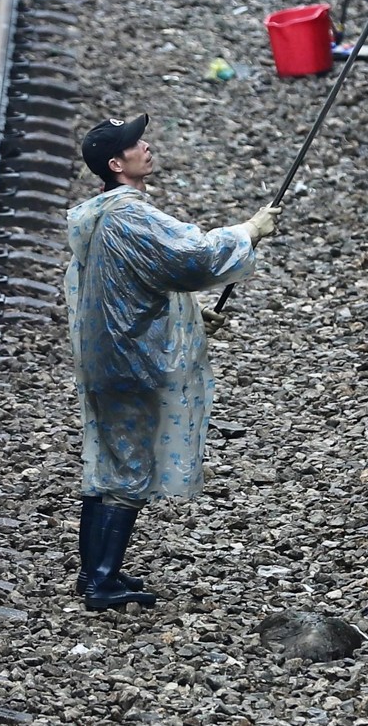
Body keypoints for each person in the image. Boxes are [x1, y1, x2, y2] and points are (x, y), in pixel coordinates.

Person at [66, 114, 281, 610]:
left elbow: (133, 285)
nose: (145, 145)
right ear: (117, 164)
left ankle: (93, 574)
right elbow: (195, 258)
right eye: (133, 144)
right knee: (128, 470)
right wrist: (248, 230)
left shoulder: (105, 215)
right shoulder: (131, 216)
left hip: (110, 355)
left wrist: (193, 316)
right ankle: (101, 582)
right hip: (129, 363)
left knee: (108, 465)